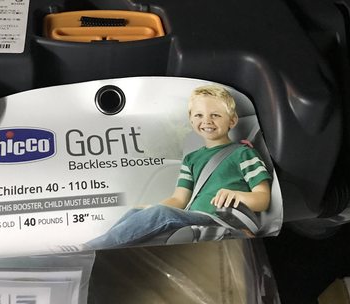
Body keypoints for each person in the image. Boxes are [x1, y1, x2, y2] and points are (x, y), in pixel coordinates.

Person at [85, 84, 272, 249]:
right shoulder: (191, 158)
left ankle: (90, 247)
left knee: (161, 214)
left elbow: (263, 198)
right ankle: (99, 247)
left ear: (232, 120)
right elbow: (179, 199)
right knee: (136, 211)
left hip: (220, 219)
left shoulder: (243, 153)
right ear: (191, 120)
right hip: (192, 217)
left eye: (215, 115)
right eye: (199, 115)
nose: (207, 121)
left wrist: (238, 196)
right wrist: (150, 209)